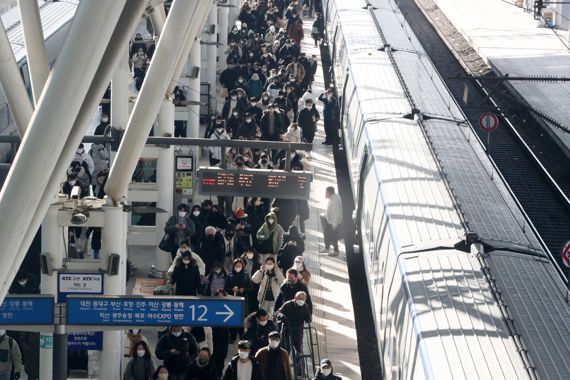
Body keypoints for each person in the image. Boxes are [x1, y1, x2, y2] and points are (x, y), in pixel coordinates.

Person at [276, 291, 312, 360]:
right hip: (287, 329)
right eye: (299, 298)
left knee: (299, 349)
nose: (301, 300)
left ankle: (299, 368)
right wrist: (281, 316)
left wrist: (308, 319)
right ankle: (284, 364)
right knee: (286, 348)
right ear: (295, 298)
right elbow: (279, 312)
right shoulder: (288, 304)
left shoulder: (305, 306)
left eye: (303, 299)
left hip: (298, 330)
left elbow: (308, 318)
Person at [319, 186, 342, 256]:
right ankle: (327, 248)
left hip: (333, 222)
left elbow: (337, 213)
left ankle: (336, 251)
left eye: (326, 192)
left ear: (330, 193)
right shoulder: (332, 197)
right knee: (326, 233)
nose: (325, 194)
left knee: (333, 236)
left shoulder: (335, 201)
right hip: (329, 220)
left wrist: (334, 224)